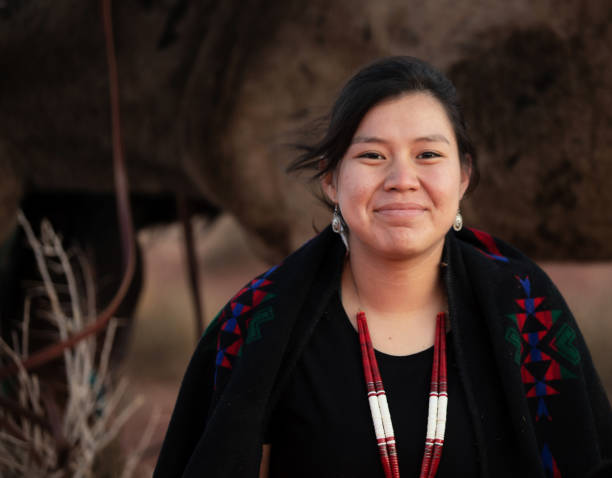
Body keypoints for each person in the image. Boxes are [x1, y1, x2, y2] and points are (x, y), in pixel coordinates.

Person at [153, 56, 612, 478]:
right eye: (372, 156)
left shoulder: (527, 314)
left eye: (428, 155)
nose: (402, 181)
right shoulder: (258, 327)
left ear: (464, 176)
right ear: (331, 179)